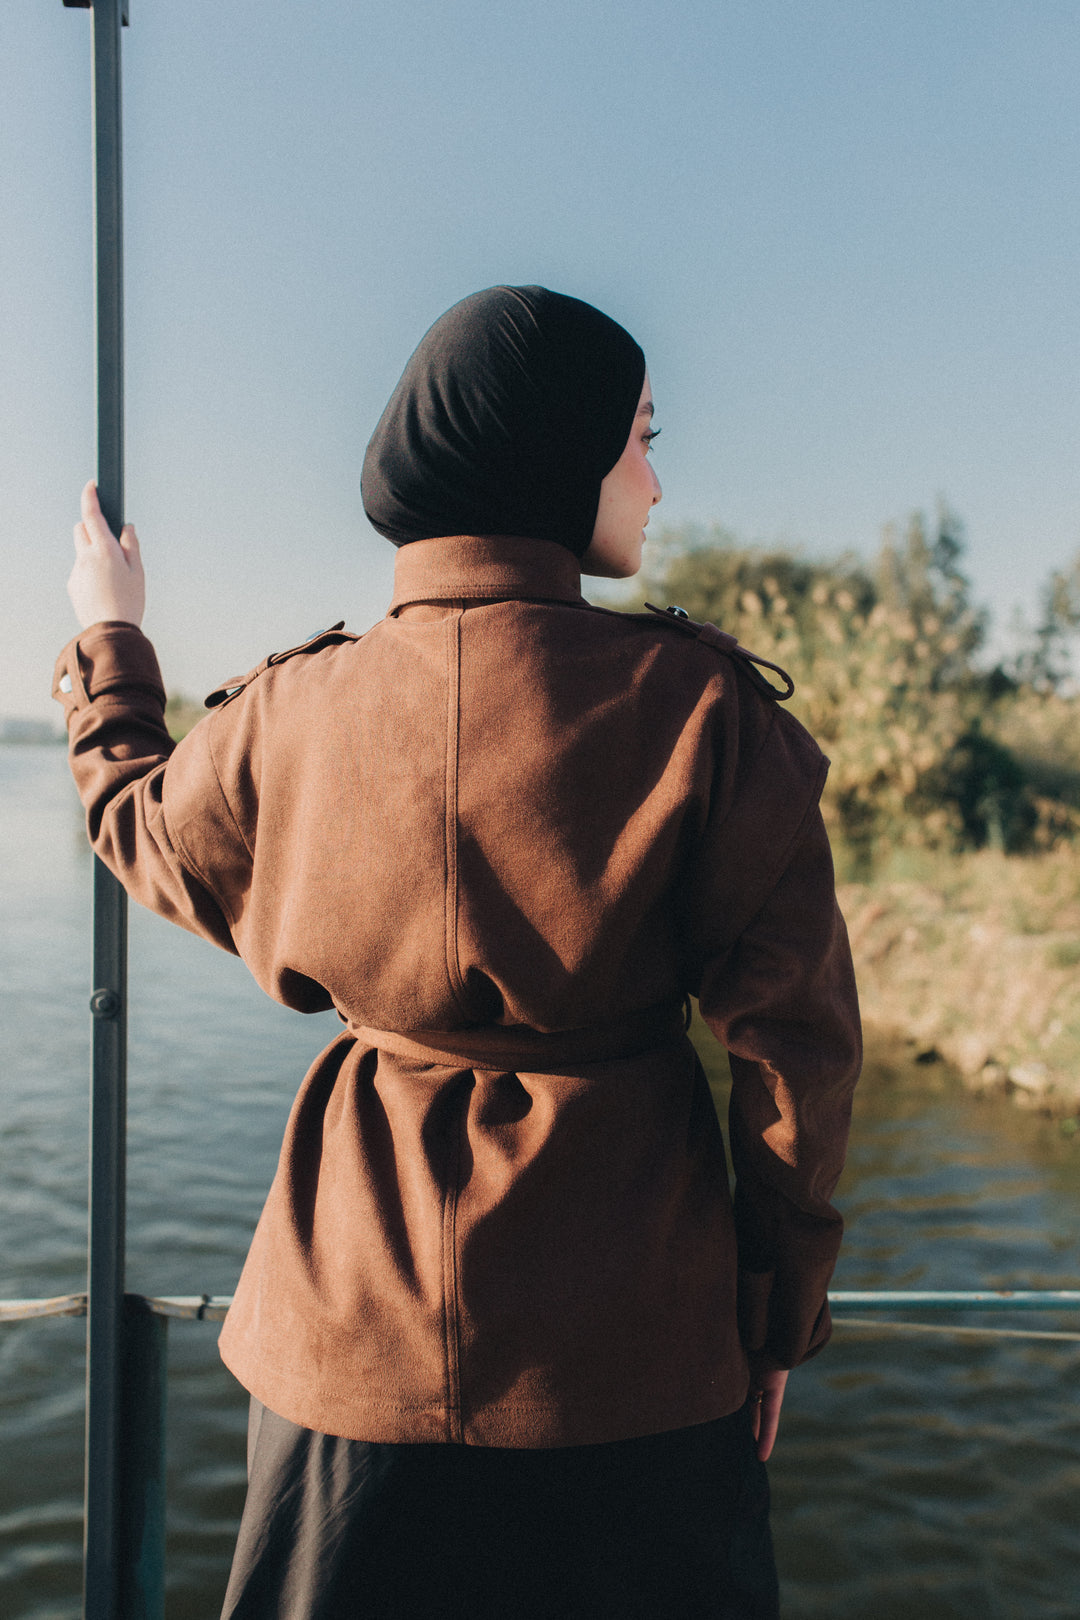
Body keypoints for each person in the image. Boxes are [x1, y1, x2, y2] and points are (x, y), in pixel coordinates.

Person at [56, 285, 861, 1619]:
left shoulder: (286, 712)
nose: (655, 485)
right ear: (556, 457)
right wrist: (771, 1320)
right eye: (640, 440)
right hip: (643, 1362)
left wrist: (113, 642)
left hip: (343, 1356)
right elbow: (797, 1059)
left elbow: (143, 833)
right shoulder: (706, 710)